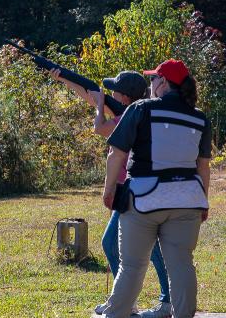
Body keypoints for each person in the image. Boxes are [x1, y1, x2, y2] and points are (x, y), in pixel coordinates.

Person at [49, 68, 172, 317]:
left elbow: (100, 128)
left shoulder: (128, 117)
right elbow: (90, 96)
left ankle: (155, 301)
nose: (110, 92)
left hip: (132, 190)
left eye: (114, 90)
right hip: (131, 190)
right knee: (124, 246)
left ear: (124, 97)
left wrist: (100, 105)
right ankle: (127, 300)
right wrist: (62, 77)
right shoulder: (131, 112)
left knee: (140, 248)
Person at [99, 59, 211, 318]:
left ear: (162, 82)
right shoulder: (200, 118)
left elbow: (116, 154)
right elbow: (203, 167)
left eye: (153, 79)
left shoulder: (140, 109)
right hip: (188, 201)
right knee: (182, 265)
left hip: (142, 199)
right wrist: (203, 201)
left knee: (132, 266)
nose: (150, 83)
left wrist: (108, 192)